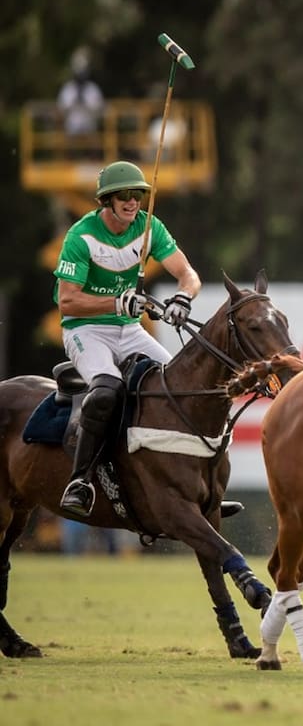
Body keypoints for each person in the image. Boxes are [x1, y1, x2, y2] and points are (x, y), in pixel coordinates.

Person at [53, 160, 201, 517]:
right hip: (85, 330)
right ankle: (80, 481)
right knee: (108, 389)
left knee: (180, 387)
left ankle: (196, 485)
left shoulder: (150, 228)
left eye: (137, 194)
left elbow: (188, 274)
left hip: (129, 329)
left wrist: (183, 297)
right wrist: (116, 301)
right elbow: (67, 300)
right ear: (106, 200)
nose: (132, 202)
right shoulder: (81, 236)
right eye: (123, 195)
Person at [57, 48, 105, 151]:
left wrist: (86, 104)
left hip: (89, 127)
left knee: (93, 137)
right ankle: (71, 156)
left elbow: (99, 108)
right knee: (68, 137)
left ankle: (92, 156)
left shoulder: (92, 89)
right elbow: (62, 108)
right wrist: (74, 102)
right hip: (72, 128)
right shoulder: (68, 89)